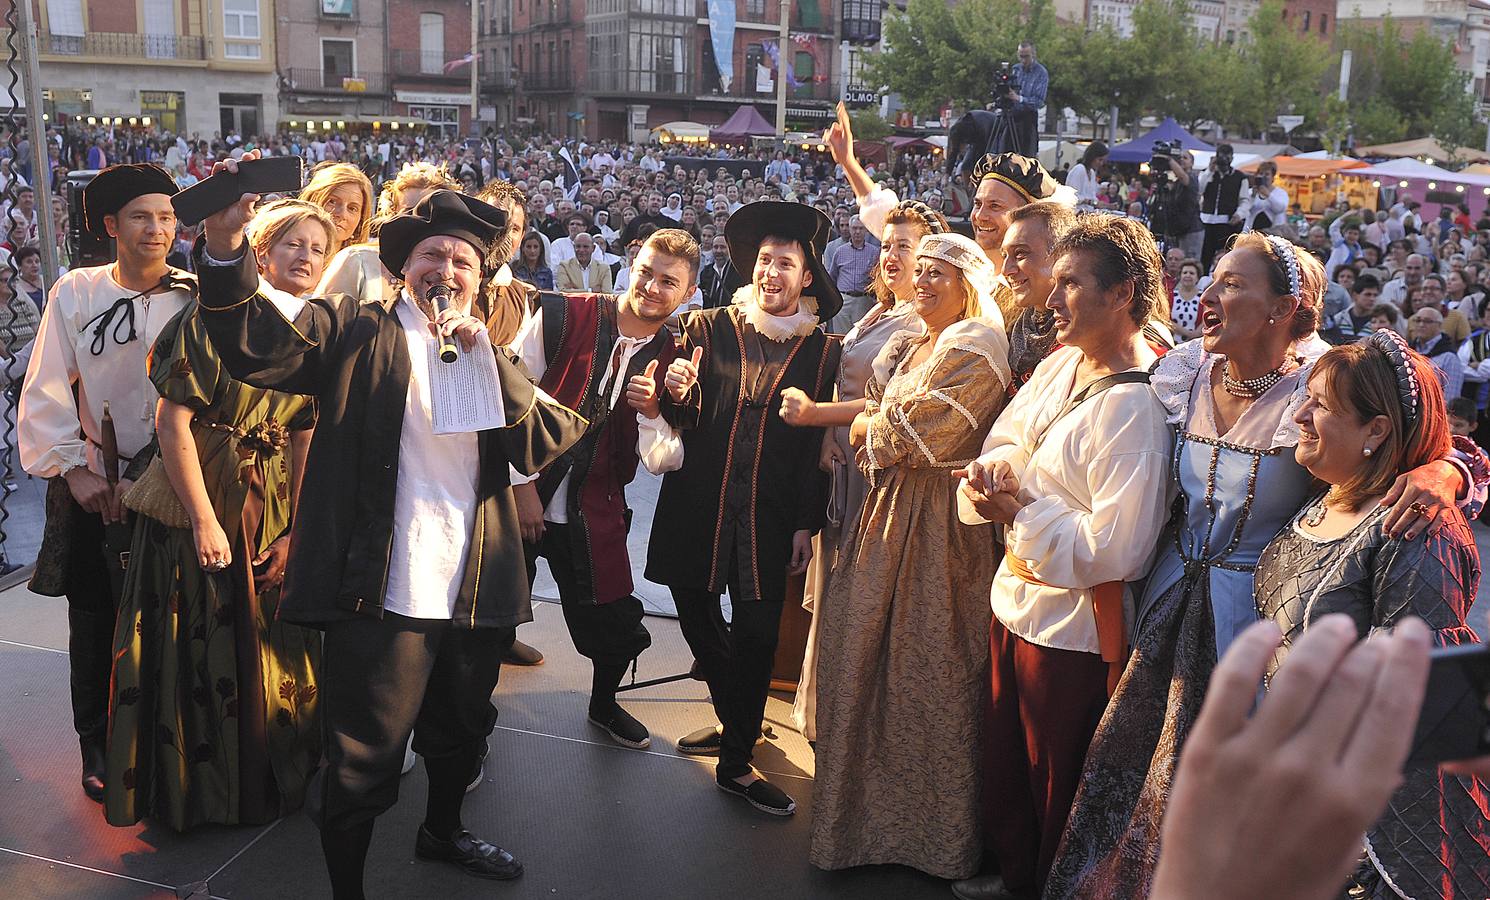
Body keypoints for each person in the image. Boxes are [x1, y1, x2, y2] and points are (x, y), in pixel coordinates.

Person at [1046, 232, 1489, 899]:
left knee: (1229, 787)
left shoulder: (1321, 382)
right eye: (1212, 277)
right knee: (1131, 775)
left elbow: (1415, 428)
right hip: (1168, 598)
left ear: (1284, 308)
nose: (1208, 293)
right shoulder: (1185, 369)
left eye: (1232, 283)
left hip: (1256, 614)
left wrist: (1447, 471)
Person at [194, 176, 586, 897]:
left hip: (474, 582)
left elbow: (547, 441)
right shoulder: (351, 328)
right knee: (362, 756)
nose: (447, 270)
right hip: (383, 584)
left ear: (480, 279)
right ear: (404, 267)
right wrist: (223, 248)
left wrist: (486, 359)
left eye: (463, 261)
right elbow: (254, 344)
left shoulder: (488, 351)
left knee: (462, 729)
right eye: (432, 255)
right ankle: (348, 887)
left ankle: (444, 830)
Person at [953, 215, 1174, 900]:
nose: (1051, 297)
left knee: (1056, 781)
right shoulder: (1061, 363)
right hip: (1016, 600)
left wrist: (1018, 512)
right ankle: (1016, 878)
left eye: (1071, 283)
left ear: (1122, 293)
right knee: (1008, 766)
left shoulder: (1136, 410)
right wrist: (996, 470)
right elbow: (1013, 436)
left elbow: (1119, 548)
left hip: (1071, 632)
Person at [105, 200, 331, 830]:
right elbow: (171, 422)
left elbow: (306, 436)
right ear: (262, 253)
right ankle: (199, 793)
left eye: (318, 248)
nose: (306, 257)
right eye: (293, 244)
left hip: (273, 497)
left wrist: (297, 528)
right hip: (201, 492)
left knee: (272, 636)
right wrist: (204, 520)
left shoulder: (318, 330)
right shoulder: (210, 317)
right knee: (197, 640)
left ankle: (267, 781)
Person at [1253, 332, 1490, 896]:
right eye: (1304, 398)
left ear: (1376, 430)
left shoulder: (1415, 529)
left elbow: (1416, 704)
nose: (1299, 416)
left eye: (1320, 405)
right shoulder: (1329, 493)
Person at [809, 230, 1009, 878]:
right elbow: (878, 420)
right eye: (917, 270)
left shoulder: (977, 344)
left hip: (940, 528)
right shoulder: (915, 341)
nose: (920, 281)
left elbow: (917, 434)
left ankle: (932, 841)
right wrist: (868, 423)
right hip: (888, 510)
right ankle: (859, 824)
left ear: (967, 285)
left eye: (936, 273)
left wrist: (867, 425)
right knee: (864, 657)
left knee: (931, 668)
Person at [645, 201, 842, 816]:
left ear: (806, 276)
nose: (771, 273)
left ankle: (735, 761)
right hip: (699, 503)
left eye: (785, 263)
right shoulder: (704, 327)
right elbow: (678, 414)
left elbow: (815, 448)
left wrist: (807, 522)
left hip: (771, 512)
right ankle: (740, 719)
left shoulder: (823, 351)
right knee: (694, 608)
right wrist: (675, 393)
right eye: (764, 261)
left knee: (757, 633)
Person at [18, 163, 195, 802]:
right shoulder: (77, 291)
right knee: (94, 617)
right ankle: (96, 741)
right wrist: (76, 471)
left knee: (170, 613)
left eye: (167, 217)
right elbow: (45, 386)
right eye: (142, 217)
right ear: (112, 225)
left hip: (174, 478)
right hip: (98, 477)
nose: (157, 229)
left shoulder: (193, 295)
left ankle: (165, 739)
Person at [508, 228, 695, 749]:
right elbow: (509, 397)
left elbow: (663, 460)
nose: (653, 287)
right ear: (631, 266)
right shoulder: (565, 314)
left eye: (669, 282)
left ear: (688, 292)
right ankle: (472, 726)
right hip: (521, 490)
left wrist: (653, 411)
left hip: (596, 505)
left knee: (613, 616)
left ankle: (604, 704)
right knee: (491, 606)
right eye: (647, 272)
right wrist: (520, 486)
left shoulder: (676, 357)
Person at [778, 199, 943, 741]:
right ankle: (819, 713)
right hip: (843, 461)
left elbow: (890, 403)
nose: (890, 256)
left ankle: (844, 724)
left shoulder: (926, 324)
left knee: (857, 594)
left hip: (875, 470)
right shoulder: (879, 311)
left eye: (904, 247)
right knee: (833, 587)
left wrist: (817, 417)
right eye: (886, 245)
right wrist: (829, 434)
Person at [315, 161, 459, 308]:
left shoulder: (456, 273)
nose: (421, 221)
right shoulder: (358, 261)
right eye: (409, 212)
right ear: (392, 215)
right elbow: (321, 319)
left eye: (429, 213)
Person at [1197, 144, 1250, 270]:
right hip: (1206, 220)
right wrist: (1210, 170)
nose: (1224, 161)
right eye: (1221, 157)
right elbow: (1199, 189)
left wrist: (1239, 214)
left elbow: (1244, 200)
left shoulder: (1240, 177)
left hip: (1227, 222)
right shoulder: (1207, 173)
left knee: (1224, 255)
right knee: (1204, 255)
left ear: (1232, 158)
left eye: (1227, 157)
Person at [300, 161, 374, 251]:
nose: (342, 214)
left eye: (352, 208)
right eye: (332, 202)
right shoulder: (286, 256)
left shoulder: (369, 258)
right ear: (312, 200)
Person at [826, 215, 879, 333]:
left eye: (861, 228)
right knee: (840, 336)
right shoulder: (840, 251)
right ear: (850, 229)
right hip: (843, 300)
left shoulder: (874, 252)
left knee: (861, 336)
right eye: (854, 228)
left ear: (866, 230)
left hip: (863, 300)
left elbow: (877, 279)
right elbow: (832, 276)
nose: (857, 232)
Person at [995, 41, 1047, 157]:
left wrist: (1019, 98)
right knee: (1003, 154)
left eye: (1026, 56)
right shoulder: (1016, 69)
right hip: (1012, 116)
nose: (1023, 60)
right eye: (1021, 56)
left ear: (1033, 54)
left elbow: (1039, 102)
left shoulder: (1041, 73)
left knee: (1025, 157)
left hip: (1028, 120)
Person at [1407, 305, 1465, 400]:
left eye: (1427, 321)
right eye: (1418, 320)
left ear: (1439, 325)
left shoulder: (1449, 358)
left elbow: (1450, 398)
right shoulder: (1407, 351)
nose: (1421, 324)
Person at [1326, 272, 1382, 344]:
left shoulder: (1380, 322)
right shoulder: (1339, 319)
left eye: (1375, 295)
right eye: (1367, 294)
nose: (1372, 299)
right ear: (1355, 295)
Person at [699, 233, 744, 309]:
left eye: (722, 247)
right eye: (715, 247)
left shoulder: (738, 271)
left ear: (729, 248)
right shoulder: (706, 272)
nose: (718, 250)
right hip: (709, 315)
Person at [1242, 161, 1287, 233]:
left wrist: (1268, 195)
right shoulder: (1250, 192)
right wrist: (1253, 196)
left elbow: (1280, 209)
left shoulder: (1281, 193)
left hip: (1274, 232)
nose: (1263, 177)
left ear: (1273, 177)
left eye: (1267, 174)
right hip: (1252, 232)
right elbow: (1244, 209)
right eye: (1261, 174)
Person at [1065, 141, 1106, 209]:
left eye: (1103, 161)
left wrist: (1108, 205)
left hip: (1087, 212)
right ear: (1092, 157)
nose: (1101, 163)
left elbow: (1092, 197)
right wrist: (1089, 202)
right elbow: (1072, 196)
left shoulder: (1092, 172)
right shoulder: (1079, 169)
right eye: (1100, 160)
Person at [1170, 257, 1203, 341]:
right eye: (1185, 273)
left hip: (1196, 342)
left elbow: (1205, 321)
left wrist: (1195, 335)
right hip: (1172, 342)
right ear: (1180, 276)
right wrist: (1188, 334)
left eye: (1192, 273)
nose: (1188, 275)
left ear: (1197, 277)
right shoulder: (1170, 295)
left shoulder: (1204, 297)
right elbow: (1166, 319)